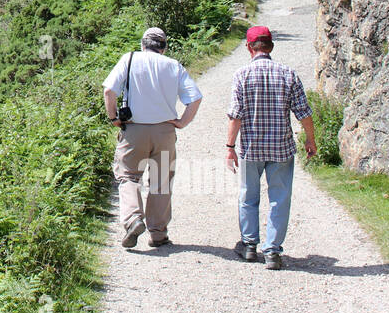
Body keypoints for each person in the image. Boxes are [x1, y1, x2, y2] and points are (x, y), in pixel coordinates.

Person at [225, 25, 316, 270]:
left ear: (248, 47)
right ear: (271, 47)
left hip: (251, 148)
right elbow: (304, 113)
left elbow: (236, 116)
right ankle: (273, 252)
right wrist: (310, 139)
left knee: (248, 196)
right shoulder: (288, 74)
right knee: (280, 198)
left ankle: (249, 246)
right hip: (281, 148)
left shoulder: (241, 75)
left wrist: (230, 146)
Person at [103, 27, 203, 249]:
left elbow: (109, 91)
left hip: (134, 130)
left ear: (142, 45)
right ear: (164, 48)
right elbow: (194, 98)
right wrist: (182, 122)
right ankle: (158, 234)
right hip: (164, 131)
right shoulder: (173, 66)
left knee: (127, 176)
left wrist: (114, 119)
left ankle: (133, 219)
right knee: (161, 181)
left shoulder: (129, 59)